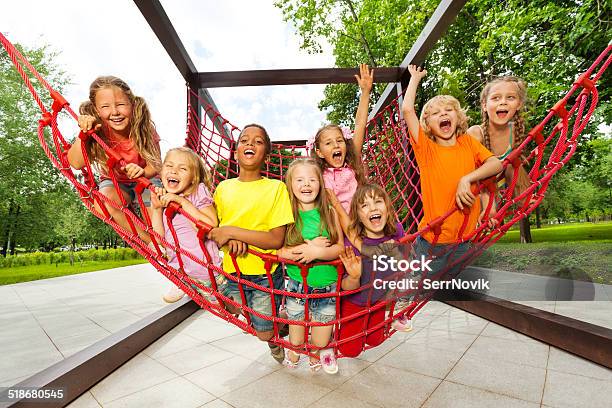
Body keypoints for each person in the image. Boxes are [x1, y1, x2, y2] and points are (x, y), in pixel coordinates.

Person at [398, 65, 502, 311]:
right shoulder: (426, 149)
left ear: (458, 117)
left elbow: (495, 164)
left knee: (445, 291)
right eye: (435, 113)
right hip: (431, 241)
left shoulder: (468, 144)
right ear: (428, 124)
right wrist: (414, 79)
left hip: (463, 241)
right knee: (415, 291)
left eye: (448, 110)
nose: (443, 114)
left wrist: (467, 179)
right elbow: (406, 109)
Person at [209, 124, 294, 364]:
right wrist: (229, 239)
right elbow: (215, 232)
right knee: (227, 307)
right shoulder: (223, 188)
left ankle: (281, 331)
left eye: (257, 141)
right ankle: (271, 318)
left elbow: (276, 239)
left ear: (266, 155)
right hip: (232, 272)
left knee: (263, 333)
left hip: (265, 275)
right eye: (244, 140)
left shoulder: (276, 188)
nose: (250, 144)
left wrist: (234, 232)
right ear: (236, 152)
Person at [67, 76, 162, 244]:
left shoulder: (143, 127)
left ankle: (162, 242)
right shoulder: (98, 130)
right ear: (96, 110)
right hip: (115, 181)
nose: (115, 112)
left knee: (157, 212)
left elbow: (155, 164)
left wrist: (143, 172)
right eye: (105, 107)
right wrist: (85, 134)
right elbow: (75, 163)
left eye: (120, 105)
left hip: (146, 178)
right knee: (103, 203)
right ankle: (150, 244)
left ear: (132, 104)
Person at [277, 158, 343, 374]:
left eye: (312, 179)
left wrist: (318, 252)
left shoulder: (329, 213)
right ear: (290, 184)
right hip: (297, 287)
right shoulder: (287, 216)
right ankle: (295, 350)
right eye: (300, 179)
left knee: (320, 341)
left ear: (320, 184)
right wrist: (306, 249)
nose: (306, 184)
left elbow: (339, 248)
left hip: (326, 288)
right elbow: (279, 253)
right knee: (295, 340)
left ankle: (319, 350)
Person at [331, 184, 406, 357]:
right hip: (355, 302)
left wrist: (396, 254)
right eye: (364, 205)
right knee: (350, 351)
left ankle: (392, 317)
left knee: (376, 340)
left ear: (387, 207)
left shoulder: (397, 231)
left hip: (378, 300)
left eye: (378, 202)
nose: (373, 207)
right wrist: (354, 276)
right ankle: (330, 335)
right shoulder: (353, 245)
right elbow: (345, 288)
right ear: (357, 216)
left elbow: (403, 263)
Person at [150, 147, 221, 304]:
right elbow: (160, 238)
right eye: (169, 166)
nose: (174, 171)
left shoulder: (197, 192)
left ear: (193, 178)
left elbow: (210, 224)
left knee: (225, 307)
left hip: (207, 272)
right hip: (182, 271)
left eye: (182, 168)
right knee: (151, 246)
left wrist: (183, 202)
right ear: (161, 173)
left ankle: (249, 314)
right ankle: (181, 283)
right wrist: (156, 209)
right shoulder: (165, 198)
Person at [310, 64, 373, 218]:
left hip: (361, 221)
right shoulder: (319, 175)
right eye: (328, 143)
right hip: (335, 226)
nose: (336, 145)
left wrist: (365, 92)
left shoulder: (351, 165)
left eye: (339, 140)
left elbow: (359, 125)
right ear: (320, 152)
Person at [467, 76, 531, 225]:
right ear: (484, 105)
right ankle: (488, 210)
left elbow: (515, 167)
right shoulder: (475, 133)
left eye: (510, 97)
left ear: (519, 104)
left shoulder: (515, 130)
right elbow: (472, 173)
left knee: (514, 162)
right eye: (496, 98)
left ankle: (524, 197)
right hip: (475, 183)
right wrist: (489, 205)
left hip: (501, 177)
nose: (503, 102)